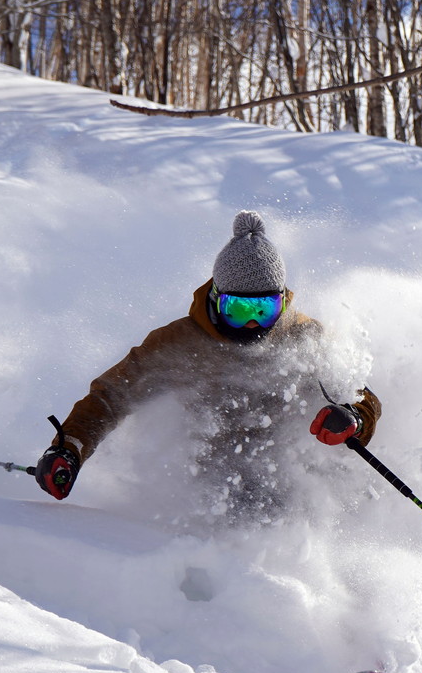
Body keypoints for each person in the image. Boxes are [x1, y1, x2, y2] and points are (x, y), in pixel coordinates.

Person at [35, 210, 381, 518]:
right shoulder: (178, 344)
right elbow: (111, 397)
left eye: (264, 310)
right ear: (217, 299)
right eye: (239, 309)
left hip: (295, 471)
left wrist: (353, 417)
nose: (251, 323)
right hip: (216, 481)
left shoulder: (307, 338)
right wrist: (69, 449)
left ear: (283, 301)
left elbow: (362, 398)